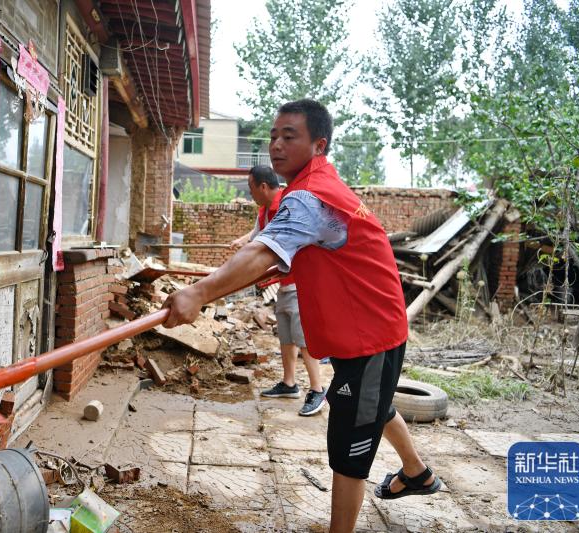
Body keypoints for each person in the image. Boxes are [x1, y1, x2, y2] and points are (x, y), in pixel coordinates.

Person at [164, 99, 441, 532]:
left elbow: (260, 251)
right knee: (375, 405)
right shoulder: (320, 184)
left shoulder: (310, 198)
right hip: (375, 325)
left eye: (289, 136)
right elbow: (290, 256)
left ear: (318, 144)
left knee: (350, 441)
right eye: (273, 136)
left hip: (369, 334)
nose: (275, 145)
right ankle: (417, 473)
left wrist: (199, 292)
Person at [230, 165, 325, 416]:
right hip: (284, 283)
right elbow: (259, 234)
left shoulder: (290, 205)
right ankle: (289, 383)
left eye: (251, 189)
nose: (250, 195)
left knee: (303, 337)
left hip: (301, 283)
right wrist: (244, 241)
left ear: (263, 186)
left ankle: (317, 389)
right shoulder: (264, 211)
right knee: (286, 335)